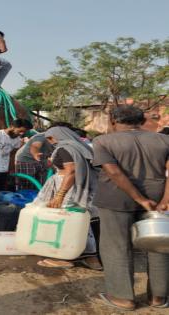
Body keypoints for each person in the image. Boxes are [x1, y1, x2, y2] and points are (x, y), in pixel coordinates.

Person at [92, 106, 169, 311]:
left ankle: (123, 298)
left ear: (114, 121)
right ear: (141, 120)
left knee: (116, 246)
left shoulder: (103, 141)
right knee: (159, 244)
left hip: (116, 199)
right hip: (157, 198)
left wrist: (139, 198)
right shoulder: (164, 140)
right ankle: (158, 298)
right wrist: (165, 200)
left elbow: (115, 173)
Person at [34, 126, 102, 270]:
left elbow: (71, 171)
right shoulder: (82, 146)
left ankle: (62, 257)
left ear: (57, 136)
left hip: (69, 188)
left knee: (65, 220)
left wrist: (60, 195)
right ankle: (92, 258)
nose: (50, 142)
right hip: (85, 187)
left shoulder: (65, 148)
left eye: (50, 138)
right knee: (85, 220)